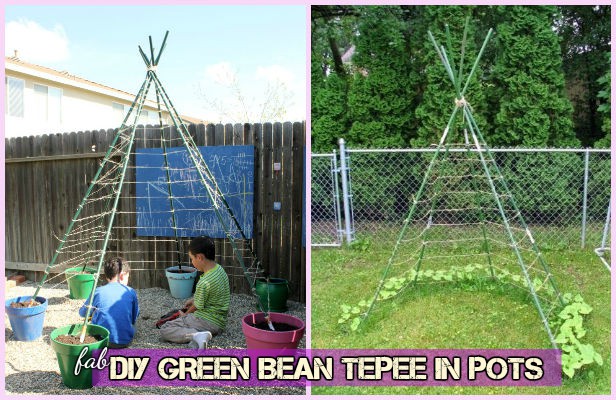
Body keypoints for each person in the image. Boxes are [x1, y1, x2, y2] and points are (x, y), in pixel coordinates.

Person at [160, 236, 230, 349]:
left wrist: (185, 314)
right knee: (190, 338)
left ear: (200, 257)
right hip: (220, 322)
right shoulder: (219, 270)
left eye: (192, 259)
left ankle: (196, 335)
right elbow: (212, 294)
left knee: (166, 329)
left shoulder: (204, 282)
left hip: (205, 320)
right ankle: (198, 340)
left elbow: (197, 306)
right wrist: (194, 299)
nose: (192, 262)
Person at [79, 257, 140, 348]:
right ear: (122, 275)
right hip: (124, 341)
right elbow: (134, 317)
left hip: (100, 340)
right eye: (128, 276)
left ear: (107, 276)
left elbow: (83, 313)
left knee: (95, 315)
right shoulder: (131, 292)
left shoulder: (98, 291)